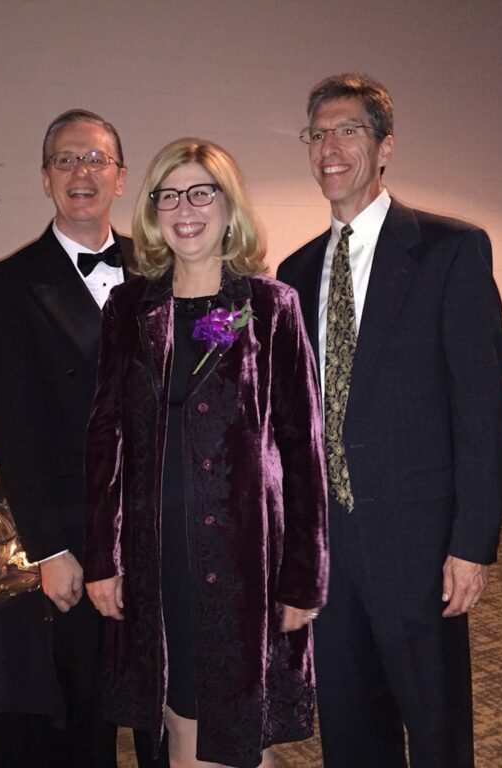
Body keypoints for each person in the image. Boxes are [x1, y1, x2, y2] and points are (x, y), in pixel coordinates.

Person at [277, 74, 502, 767]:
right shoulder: (294, 273)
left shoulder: (449, 251)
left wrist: (472, 544)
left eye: (348, 130)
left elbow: (481, 410)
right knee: (350, 732)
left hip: (419, 546)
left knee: (436, 730)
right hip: (329, 550)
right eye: (317, 134)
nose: (330, 148)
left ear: (384, 147)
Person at [83, 137, 329, 768]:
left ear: (228, 205)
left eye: (201, 191)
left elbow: (303, 450)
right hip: (155, 550)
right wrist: (104, 558)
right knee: (177, 712)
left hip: (243, 557)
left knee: (224, 720)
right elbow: (107, 435)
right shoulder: (131, 308)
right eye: (169, 194)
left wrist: (304, 577)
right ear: (153, 209)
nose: (185, 208)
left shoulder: (268, 307)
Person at [0, 109, 167, 767]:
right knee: (86, 711)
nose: (81, 172)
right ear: (46, 178)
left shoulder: (166, 267)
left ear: (120, 177)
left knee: (167, 708)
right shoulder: (2, 288)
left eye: (96, 159)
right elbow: (12, 425)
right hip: (78, 536)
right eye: (66, 160)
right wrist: (48, 548)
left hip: (165, 525)